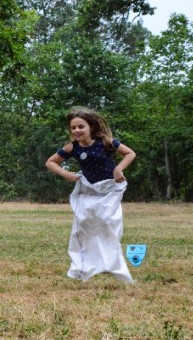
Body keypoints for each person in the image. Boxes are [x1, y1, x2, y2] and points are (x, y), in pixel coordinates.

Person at [45, 106, 136, 283]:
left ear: (91, 127)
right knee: (84, 225)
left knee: (107, 223)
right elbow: (51, 162)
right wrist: (66, 174)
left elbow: (130, 153)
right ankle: (82, 265)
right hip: (88, 190)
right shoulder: (72, 147)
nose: (77, 130)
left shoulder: (105, 142)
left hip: (109, 190)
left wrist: (118, 169)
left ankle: (110, 262)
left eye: (81, 126)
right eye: (73, 128)